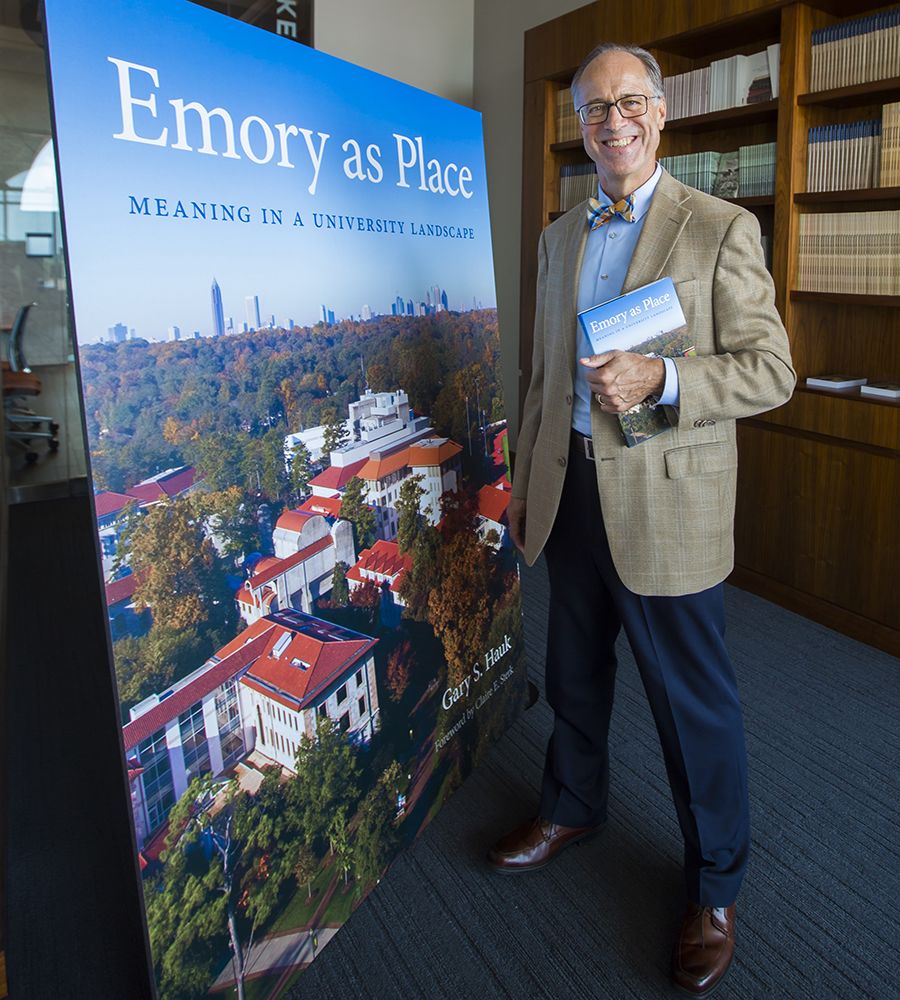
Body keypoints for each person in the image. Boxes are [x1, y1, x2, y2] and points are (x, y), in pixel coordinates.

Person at [487, 42, 795, 997]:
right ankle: (573, 805)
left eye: (627, 103)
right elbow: (542, 375)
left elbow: (770, 369)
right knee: (574, 671)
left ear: (660, 114)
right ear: (578, 126)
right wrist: (530, 479)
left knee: (691, 705)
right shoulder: (556, 237)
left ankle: (715, 888)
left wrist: (664, 376)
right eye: (591, 109)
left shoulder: (719, 227)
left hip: (666, 502)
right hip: (571, 486)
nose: (610, 120)